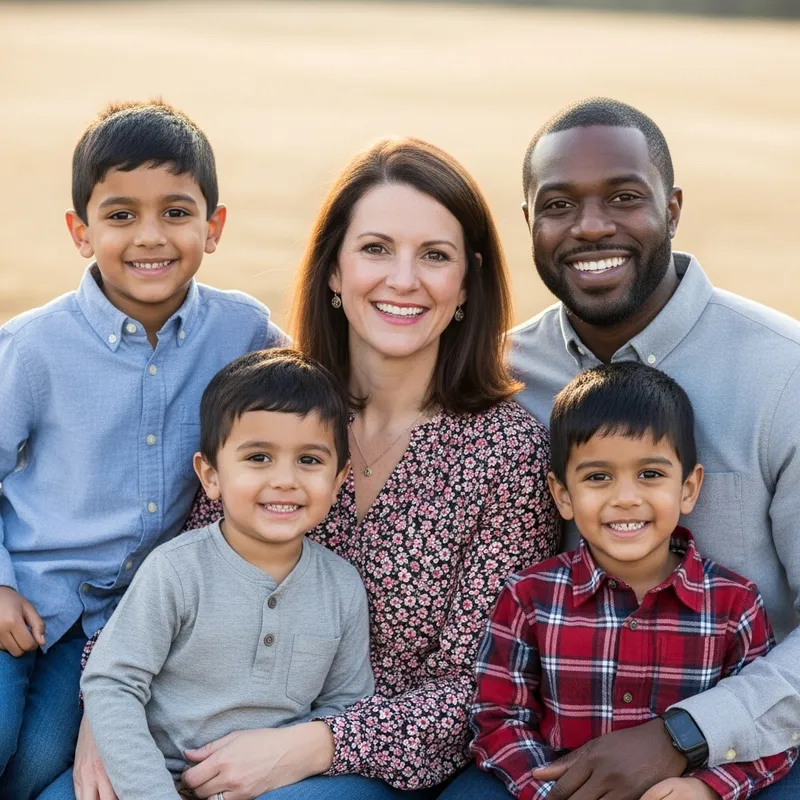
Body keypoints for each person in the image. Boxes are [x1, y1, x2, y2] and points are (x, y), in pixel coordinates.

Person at [68, 136, 560, 800]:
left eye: (435, 256)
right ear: (333, 271)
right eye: (376, 248)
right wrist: (105, 709)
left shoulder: (507, 451)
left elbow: (476, 687)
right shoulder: (274, 403)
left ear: (467, 282)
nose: (404, 279)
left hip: (359, 764)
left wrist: (314, 745)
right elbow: (181, 569)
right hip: (192, 727)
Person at [510, 98, 800, 800]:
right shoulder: (505, 377)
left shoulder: (783, 373)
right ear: (529, 224)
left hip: (759, 749)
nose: (591, 226)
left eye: (624, 196)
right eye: (558, 204)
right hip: (554, 753)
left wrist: (684, 735)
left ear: (671, 210)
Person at [0, 100, 284, 800]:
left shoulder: (240, 329)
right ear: (80, 231)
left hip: (126, 619)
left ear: (213, 228)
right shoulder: (34, 347)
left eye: (177, 213)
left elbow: (311, 390)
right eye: (121, 215)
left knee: (37, 762)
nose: (149, 237)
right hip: (24, 597)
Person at [471, 362, 797, 800]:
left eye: (650, 474)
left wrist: (707, 789)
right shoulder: (529, 598)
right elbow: (498, 717)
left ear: (688, 487)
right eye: (598, 477)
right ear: (563, 494)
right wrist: (551, 792)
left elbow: (768, 735)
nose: (625, 498)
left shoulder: (734, 604)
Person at [81, 349, 373, 800]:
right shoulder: (176, 570)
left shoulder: (342, 587)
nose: (285, 480)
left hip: (270, 785)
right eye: (258, 457)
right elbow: (113, 682)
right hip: (148, 777)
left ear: (338, 480)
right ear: (211, 475)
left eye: (310, 460)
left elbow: (344, 707)